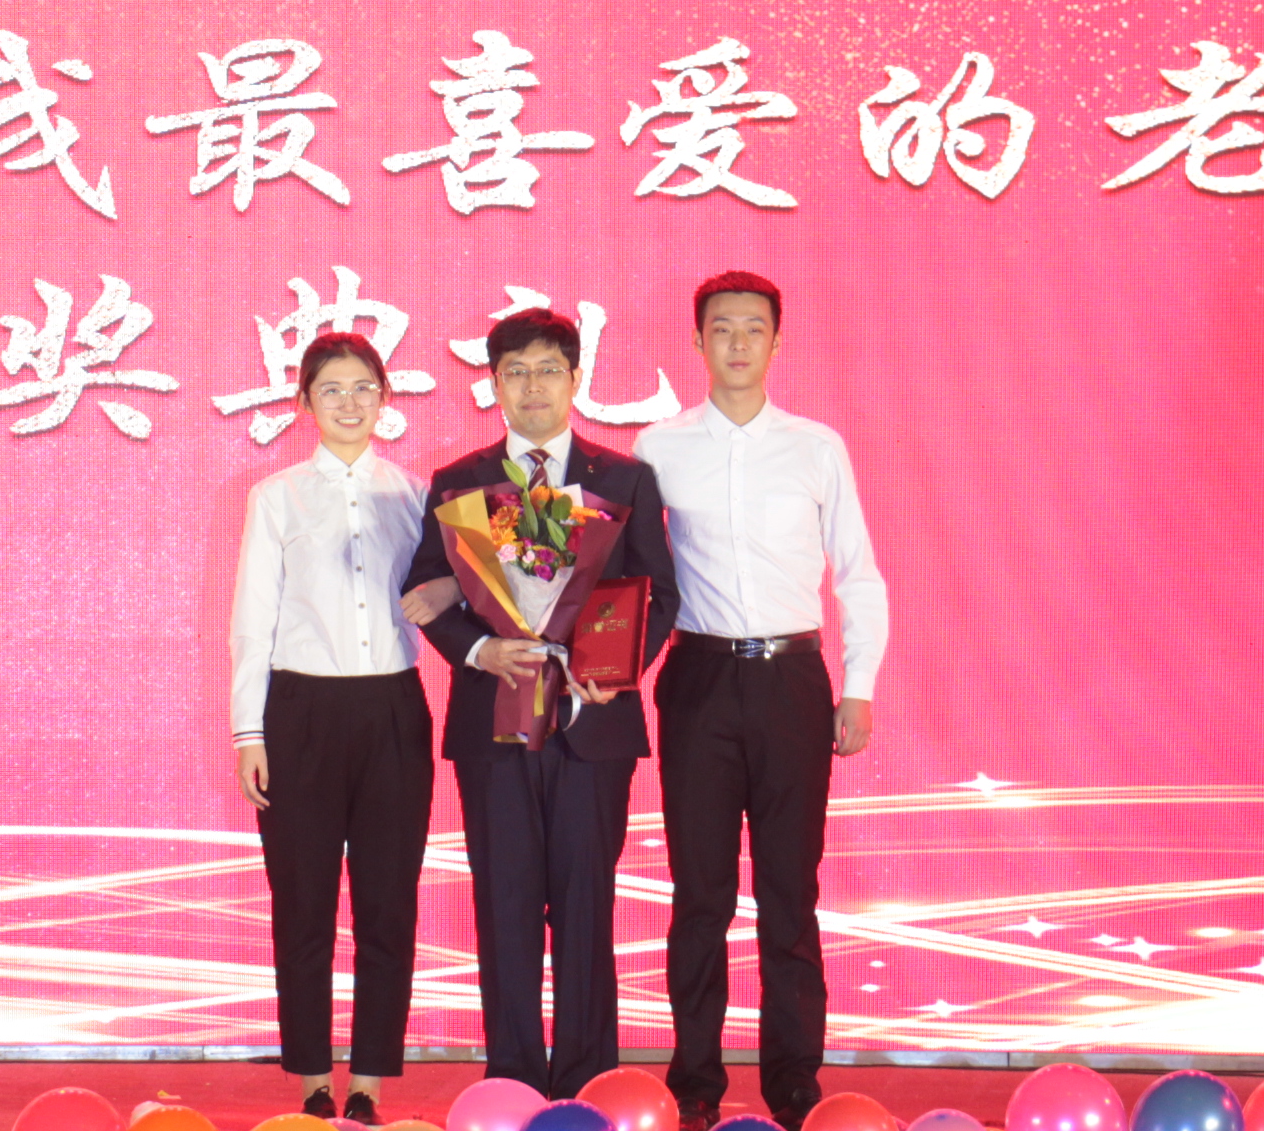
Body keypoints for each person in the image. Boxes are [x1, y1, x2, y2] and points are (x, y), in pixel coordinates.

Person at [631, 270, 888, 1131]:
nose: (737, 343)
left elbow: (858, 574)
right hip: (698, 681)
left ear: (778, 342)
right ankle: (695, 1083)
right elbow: (631, 575)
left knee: (789, 892)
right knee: (699, 894)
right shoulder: (659, 449)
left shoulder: (817, 448)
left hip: (792, 683)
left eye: (753, 328)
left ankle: (793, 1081)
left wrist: (858, 687)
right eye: (721, 328)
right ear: (696, 341)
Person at [401, 305, 678, 1100]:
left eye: (548, 370)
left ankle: (590, 1082)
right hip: (494, 720)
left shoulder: (623, 478)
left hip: (593, 725)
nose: (532, 387)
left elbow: (660, 593)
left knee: (587, 905)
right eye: (515, 373)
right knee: (506, 904)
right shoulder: (458, 481)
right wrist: (479, 650)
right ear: (494, 384)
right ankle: (514, 1082)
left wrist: (616, 669)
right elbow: (425, 592)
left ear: (576, 378)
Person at [231, 331, 434, 1124]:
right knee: (304, 906)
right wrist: (249, 732)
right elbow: (253, 622)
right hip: (300, 715)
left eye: (363, 388)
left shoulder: (416, 497)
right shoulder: (277, 497)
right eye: (331, 389)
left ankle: (370, 1081)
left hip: (394, 712)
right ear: (304, 402)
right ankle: (313, 1079)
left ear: (385, 398)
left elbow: (451, 598)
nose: (349, 403)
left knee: (389, 905)